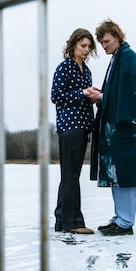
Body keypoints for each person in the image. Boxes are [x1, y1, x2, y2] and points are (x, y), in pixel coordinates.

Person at [87, 20, 136, 236]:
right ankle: (120, 217)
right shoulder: (118, 58)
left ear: (117, 36)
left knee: (125, 176)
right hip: (118, 130)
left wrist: (102, 98)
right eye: (102, 43)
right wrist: (102, 97)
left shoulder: (128, 56)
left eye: (106, 41)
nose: (103, 46)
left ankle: (125, 222)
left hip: (126, 129)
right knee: (117, 175)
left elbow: (129, 93)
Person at [51, 28, 97, 234]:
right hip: (69, 127)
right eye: (83, 46)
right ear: (73, 46)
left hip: (83, 127)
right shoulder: (64, 68)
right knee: (70, 175)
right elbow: (56, 96)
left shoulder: (86, 71)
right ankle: (73, 222)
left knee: (71, 175)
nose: (87, 50)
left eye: (89, 46)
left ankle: (62, 220)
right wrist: (82, 93)